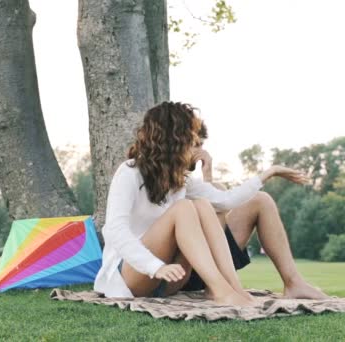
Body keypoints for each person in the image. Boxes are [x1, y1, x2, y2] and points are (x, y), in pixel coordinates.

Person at [93, 101, 314, 306]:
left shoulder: (181, 181)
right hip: (132, 276)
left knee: (202, 204)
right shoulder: (130, 172)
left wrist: (268, 173)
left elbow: (227, 200)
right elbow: (115, 230)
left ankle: (233, 288)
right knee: (184, 208)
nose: (196, 146)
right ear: (174, 139)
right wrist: (155, 267)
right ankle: (220, 290)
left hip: (171, 278)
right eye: (192, 139)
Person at [182, 122, 329, 300]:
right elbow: (219, 204)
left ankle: (294, 283)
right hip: (187, 269)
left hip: (212, 257)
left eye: (202, 145)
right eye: (196, 144)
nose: (201, 152)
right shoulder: (175, 181)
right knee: (218, 196)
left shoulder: (188, 181)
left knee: (260, 200)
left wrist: (207, 174)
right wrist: (270, 172)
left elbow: (221, 201)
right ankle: (216, 285)